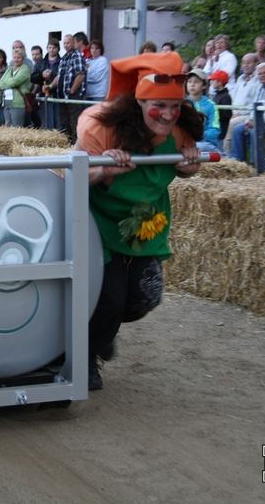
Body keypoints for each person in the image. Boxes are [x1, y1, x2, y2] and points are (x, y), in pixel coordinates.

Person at [74, 52, 202, 390]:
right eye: (159, 106)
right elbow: (70, 176)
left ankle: (104, 331)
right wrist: (102, 169)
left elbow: (184, 167)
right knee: (109, 297)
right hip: (100, 222)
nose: (169, 115)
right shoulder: (101, 127)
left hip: (144, 221)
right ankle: (85, 357)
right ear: (140, 102)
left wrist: (189, 167)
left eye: (175, 106)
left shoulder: (181, 130)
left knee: (146, 296)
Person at [53, 34, 87, 144]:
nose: (66, 45)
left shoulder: (77, 56)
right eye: (64, 43)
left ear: (73, 43)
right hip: (62, 95)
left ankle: (76, 146)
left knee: (74, 122)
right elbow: (59, 76)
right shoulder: (63, 58)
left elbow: (81, 75)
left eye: (68, 43)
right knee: (64, 122)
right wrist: (50, 86)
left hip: (73, 96)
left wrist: (72, 90)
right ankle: (66, 145)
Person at [185, 68, 220, 151]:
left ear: (204, 85)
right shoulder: (181, 103)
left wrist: (197, 136)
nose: (192, 84)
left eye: (196, 82)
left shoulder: (211, 105)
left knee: (199, 147)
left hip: (204, 143)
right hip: (184, 142)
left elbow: (214, 130)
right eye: (189, 81)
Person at [0, 49, 31, 127]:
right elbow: (0, 84)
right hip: (6, 101)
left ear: (23, 58)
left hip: (18, 102)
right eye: (14, 57)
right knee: (8, 127)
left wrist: (6, 82)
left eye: (19, 57)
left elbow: (14, 82)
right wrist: (10, 82)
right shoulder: (10, 69)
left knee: (16, 128)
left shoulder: (25, 69)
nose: (16, 60)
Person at [209, 70, 231, 141]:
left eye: (213, 80)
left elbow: (226, 116)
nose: (211, 82)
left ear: (220, 82)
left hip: (221, 133)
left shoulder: (226, 97)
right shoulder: (218, 95)